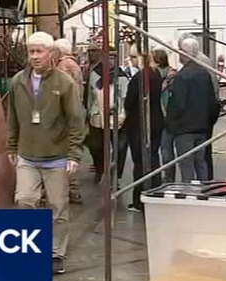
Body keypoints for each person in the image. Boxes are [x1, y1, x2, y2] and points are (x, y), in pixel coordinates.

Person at [7, 32, 85, 275]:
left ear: (51, 54)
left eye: (39, 51)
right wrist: (12, 146)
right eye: (31, 51)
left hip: (57, 157)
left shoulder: (64, 83)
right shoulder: (18, 81)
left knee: (57, 207)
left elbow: (76, 120)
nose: (34, 56)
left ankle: (55, 253)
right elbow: (12, 117)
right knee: (24, 201)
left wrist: (73, 154)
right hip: (27, 155)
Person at [166, 38, 219, 182]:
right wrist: (209, 121)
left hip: (185, 128)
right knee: (201, 162)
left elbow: (178, 104)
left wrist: (170, 123)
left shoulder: (182, 76)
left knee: (187, 165)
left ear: (184, 53)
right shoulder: (205, 74)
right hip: (202, 127)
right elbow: (212, 100)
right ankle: (204, 189)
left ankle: (188, 191)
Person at [123, 56, 164, 212]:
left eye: (134, 57)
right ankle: (155, 193)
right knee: (153, 158)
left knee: (140, 161)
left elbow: (129, 102)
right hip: (156, 121)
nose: (131, 60)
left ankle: (140, 199)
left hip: (140, 123)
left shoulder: (139, 77)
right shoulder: (156, 74)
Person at [85, 49, 129, 184]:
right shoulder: (95, 74)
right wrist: (88, 113)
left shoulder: (121, 77)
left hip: (116, 116)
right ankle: (100, 169)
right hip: (97, 115)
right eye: (107, 57)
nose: (110, 61)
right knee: (96, 146)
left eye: (113, 58)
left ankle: (116, 176)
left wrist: (123, 114)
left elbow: (124, 98)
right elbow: (89, 95)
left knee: (119, 148)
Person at [53, 38, 84, 204]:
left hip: (64, 115)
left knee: (62, 152)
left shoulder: (63, 66)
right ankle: (72, 189)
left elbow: (59, 91)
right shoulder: (74, 65)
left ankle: (69, 189)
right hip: (74, 112)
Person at [153, 48, 177, 183]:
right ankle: (169, 176)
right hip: (168, 114)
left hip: (160, 113)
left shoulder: (154, 74)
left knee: (162, 148)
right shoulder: (173, 74)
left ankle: (163, 176)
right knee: (166, 148)